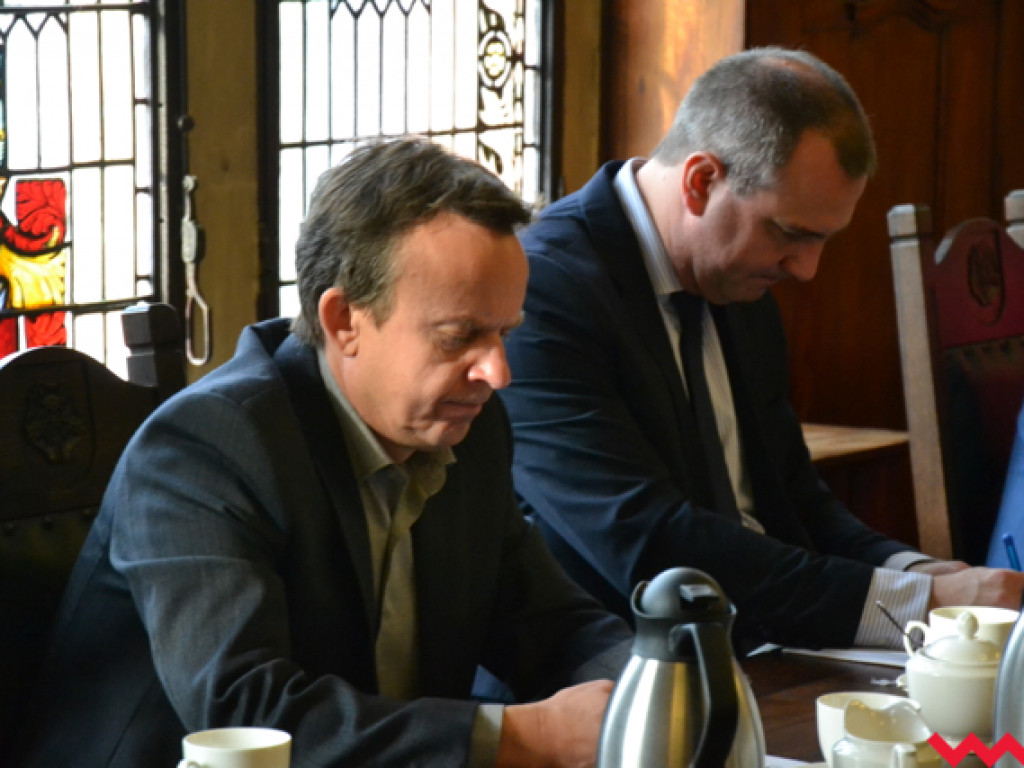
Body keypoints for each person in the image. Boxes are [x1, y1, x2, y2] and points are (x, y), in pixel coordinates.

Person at [14, 138, 632, 768]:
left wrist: (651, 689)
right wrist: (524, 736)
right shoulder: (205, 449)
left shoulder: (468, 427)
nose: (497, 373)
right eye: (460, 336)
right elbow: (247, 714)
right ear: (343, 321)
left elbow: (551, 624)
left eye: (504, 333)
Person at [498, 46, 1024, 655]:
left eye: (823, 240)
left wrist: (923, 575)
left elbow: (796, 498)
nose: (806, 269)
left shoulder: (738, 277)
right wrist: (920, 604)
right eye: (791, 233)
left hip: (764, 647)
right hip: (622, 670)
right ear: (701, 181)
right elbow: (647, 541)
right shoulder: (542, 290)